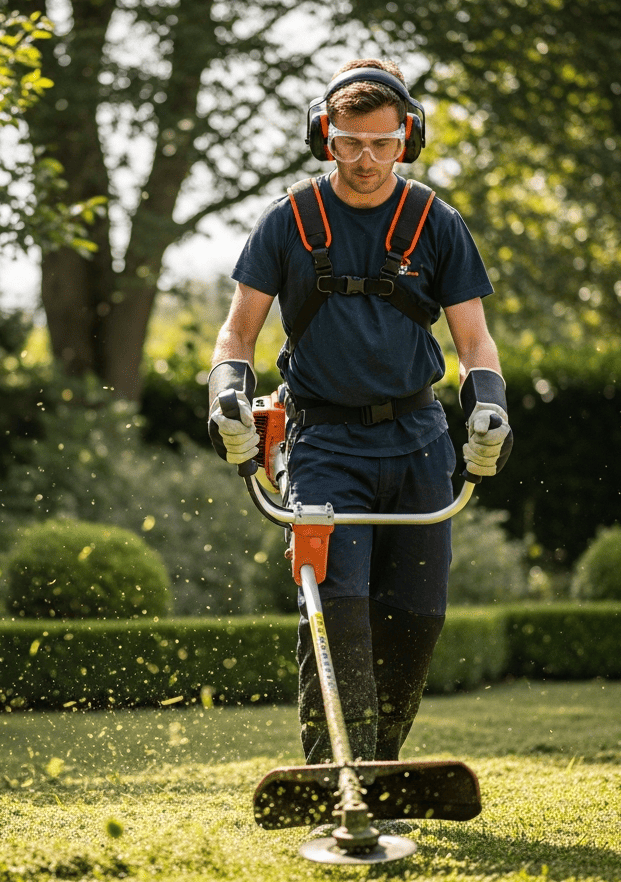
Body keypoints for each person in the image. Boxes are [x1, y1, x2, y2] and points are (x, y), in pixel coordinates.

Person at [206, 59, 512, 765]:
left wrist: (489, 407)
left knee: (418, 619)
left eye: (383, 142)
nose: (366, 159)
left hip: (419, 439)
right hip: (324, 443)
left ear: (408, 138)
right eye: (350, 142)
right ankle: (333, 774)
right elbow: (238, 332)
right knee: (334, 615)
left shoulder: (436, 223)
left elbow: (473, 340)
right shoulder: (288, 220)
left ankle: (380, 766)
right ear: (326, 136)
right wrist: (226, 393)